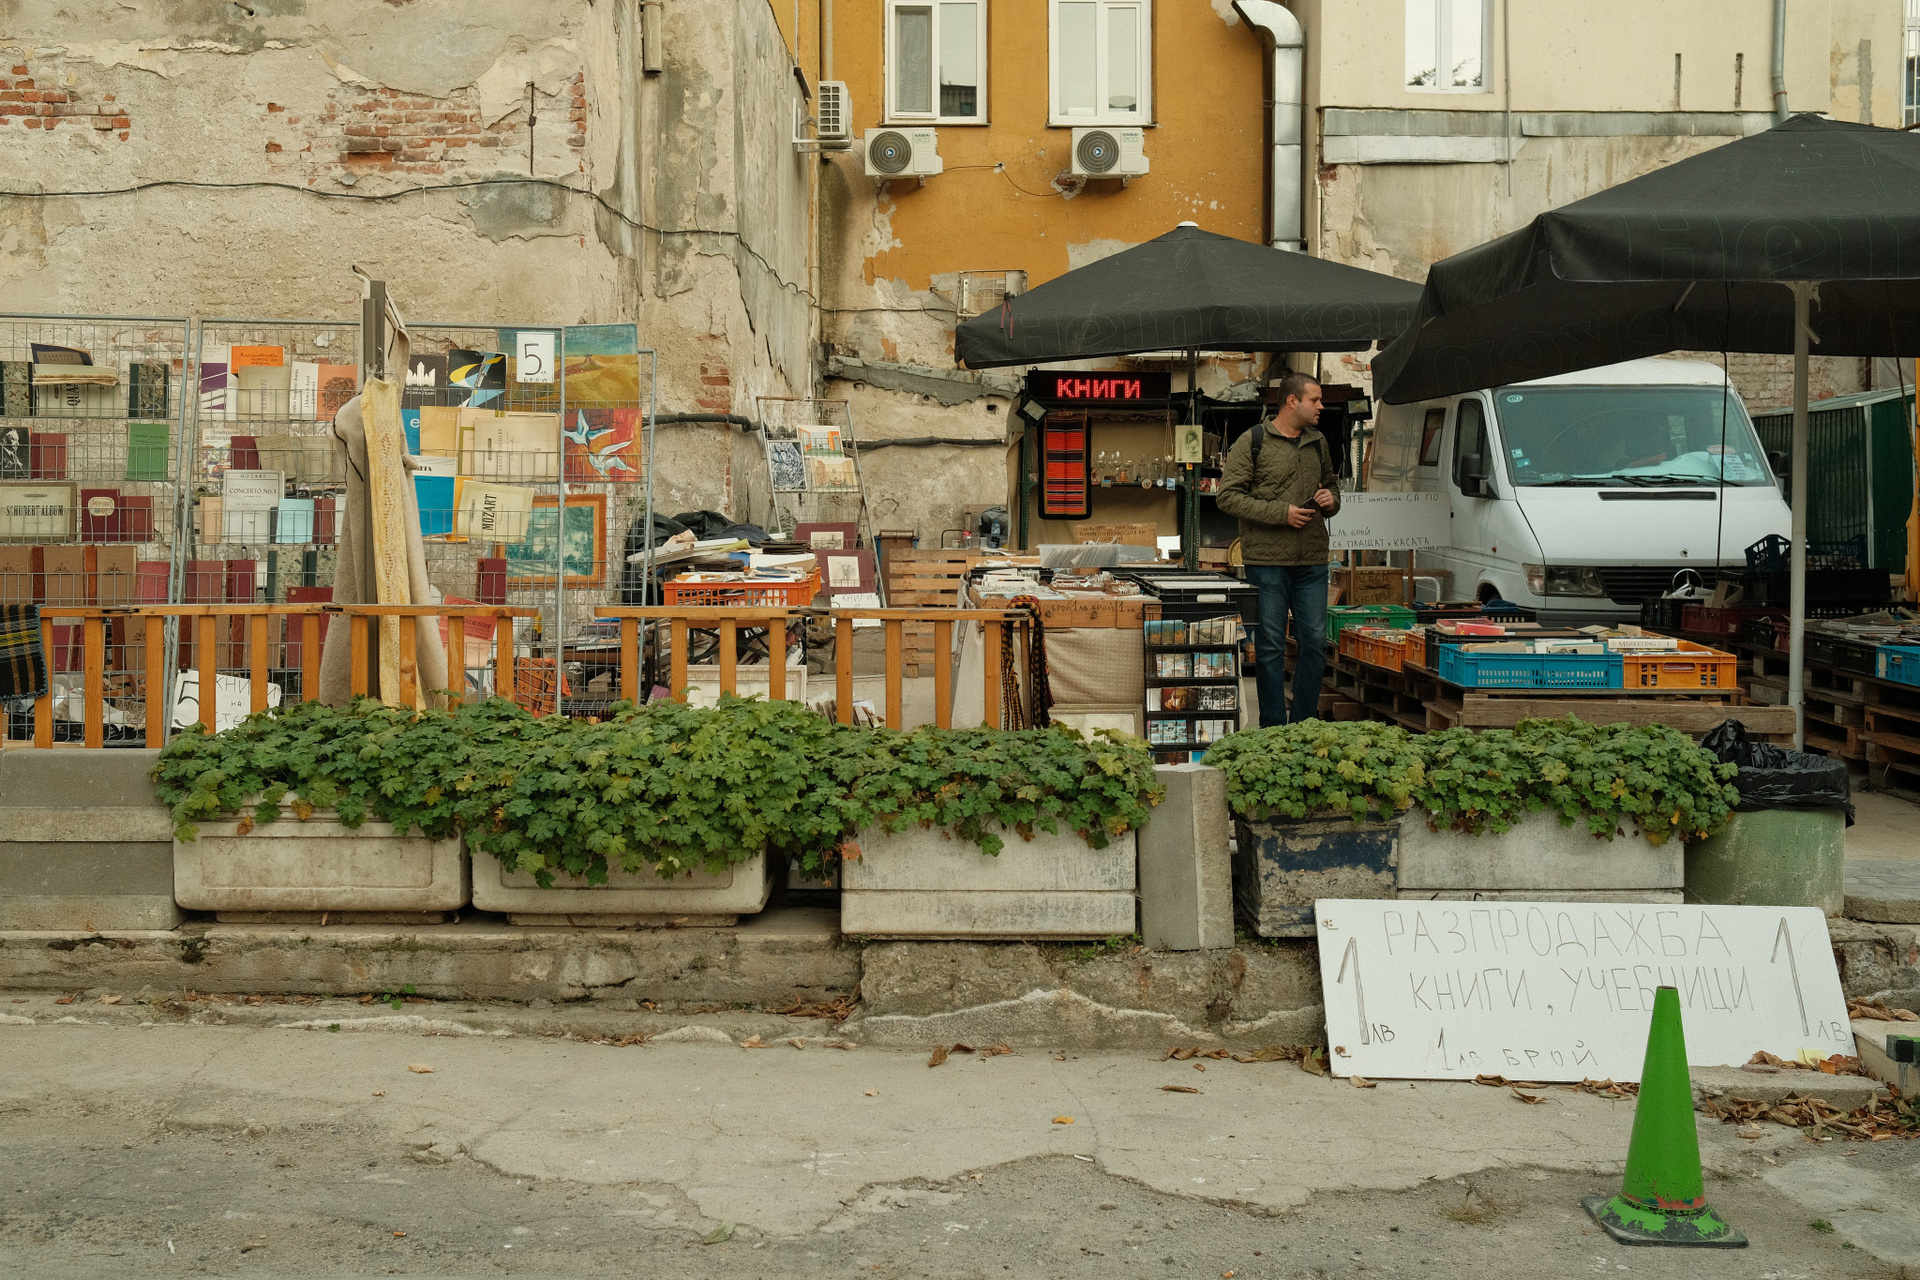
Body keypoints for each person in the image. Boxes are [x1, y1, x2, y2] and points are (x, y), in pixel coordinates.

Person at [1215, 372, 1341, 727]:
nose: (1321, 406)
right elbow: (1227, 497)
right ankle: (1272, 729)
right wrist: (1280, 513)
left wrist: (1331, 500)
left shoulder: (1318, 442)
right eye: (1315, 400)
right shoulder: (1252, 440)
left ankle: (1304, 725)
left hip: (1312, 560)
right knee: (1270, 646)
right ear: (1292, 401)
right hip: (1266, 562)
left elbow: (1332, 486)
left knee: (1314, 643)